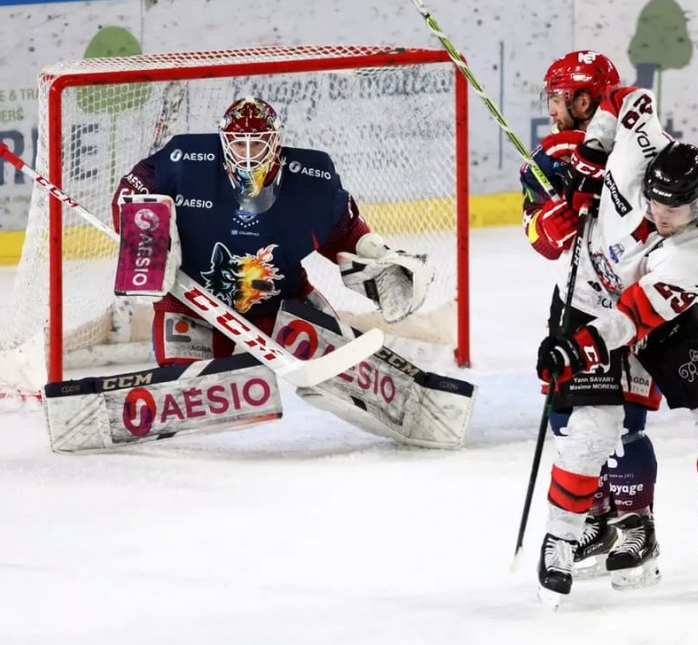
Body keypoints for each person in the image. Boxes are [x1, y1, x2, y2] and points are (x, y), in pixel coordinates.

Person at [104, 96, 475, 449]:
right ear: (223, 143)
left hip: (279, 304)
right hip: (192, 304)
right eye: (238, 145)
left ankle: (409, 404)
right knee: (189, 391)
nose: (248, 155)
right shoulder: (187, 160)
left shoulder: (312, 181)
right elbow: (135, 185)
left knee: (339, 369)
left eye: (258, 144)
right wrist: (145, 229)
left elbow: (345, 232)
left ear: (276, 143)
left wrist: (380, 258)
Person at [534, 96, 698, 606]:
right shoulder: (642, 150)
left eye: (677, 210)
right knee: (593, 428)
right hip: (583, 299)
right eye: (655, 204)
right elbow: (624, 98)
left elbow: (632, 319)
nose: (662, 216)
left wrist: (575, 351)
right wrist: (592, 155)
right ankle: (560, 540)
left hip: (645, 314)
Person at [523, 51, 661, 579]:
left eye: (559, 98)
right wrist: (557, 210)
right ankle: (596, 520)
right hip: (577, 300)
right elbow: (543, 239)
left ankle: (636, 527)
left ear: (585, 100)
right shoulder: (547, 158)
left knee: (625, 419)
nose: (553, 109)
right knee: (567, 418)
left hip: (636, 301)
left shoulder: (636, 146)